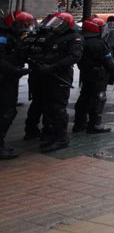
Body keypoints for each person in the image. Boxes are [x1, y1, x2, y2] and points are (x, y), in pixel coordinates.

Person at [33, 13, 82, 152]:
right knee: (48, 106)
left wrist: (52, 66)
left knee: (58, 108)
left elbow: (73, 56)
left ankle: (61, 138)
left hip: (61, 75)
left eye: (58, 22)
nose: (55, 25)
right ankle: (50, 134)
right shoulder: (53, 36)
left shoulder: (75, 37)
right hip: (47, 74)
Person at [72, 17, 114, 134]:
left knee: (84, 98)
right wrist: (112, 70)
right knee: (98, 99)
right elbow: (110, 62)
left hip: (86, 74)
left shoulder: (80, 40)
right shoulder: (98, 44)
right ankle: (95, 125)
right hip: (98, 76)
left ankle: (79, 123)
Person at [0, 10, 33, 159]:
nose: (24, 28)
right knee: (7, 112)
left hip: (9, 78)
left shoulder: (11, 36)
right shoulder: (3, 37)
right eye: (22, 24)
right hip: (5, 79)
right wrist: (16, 71)